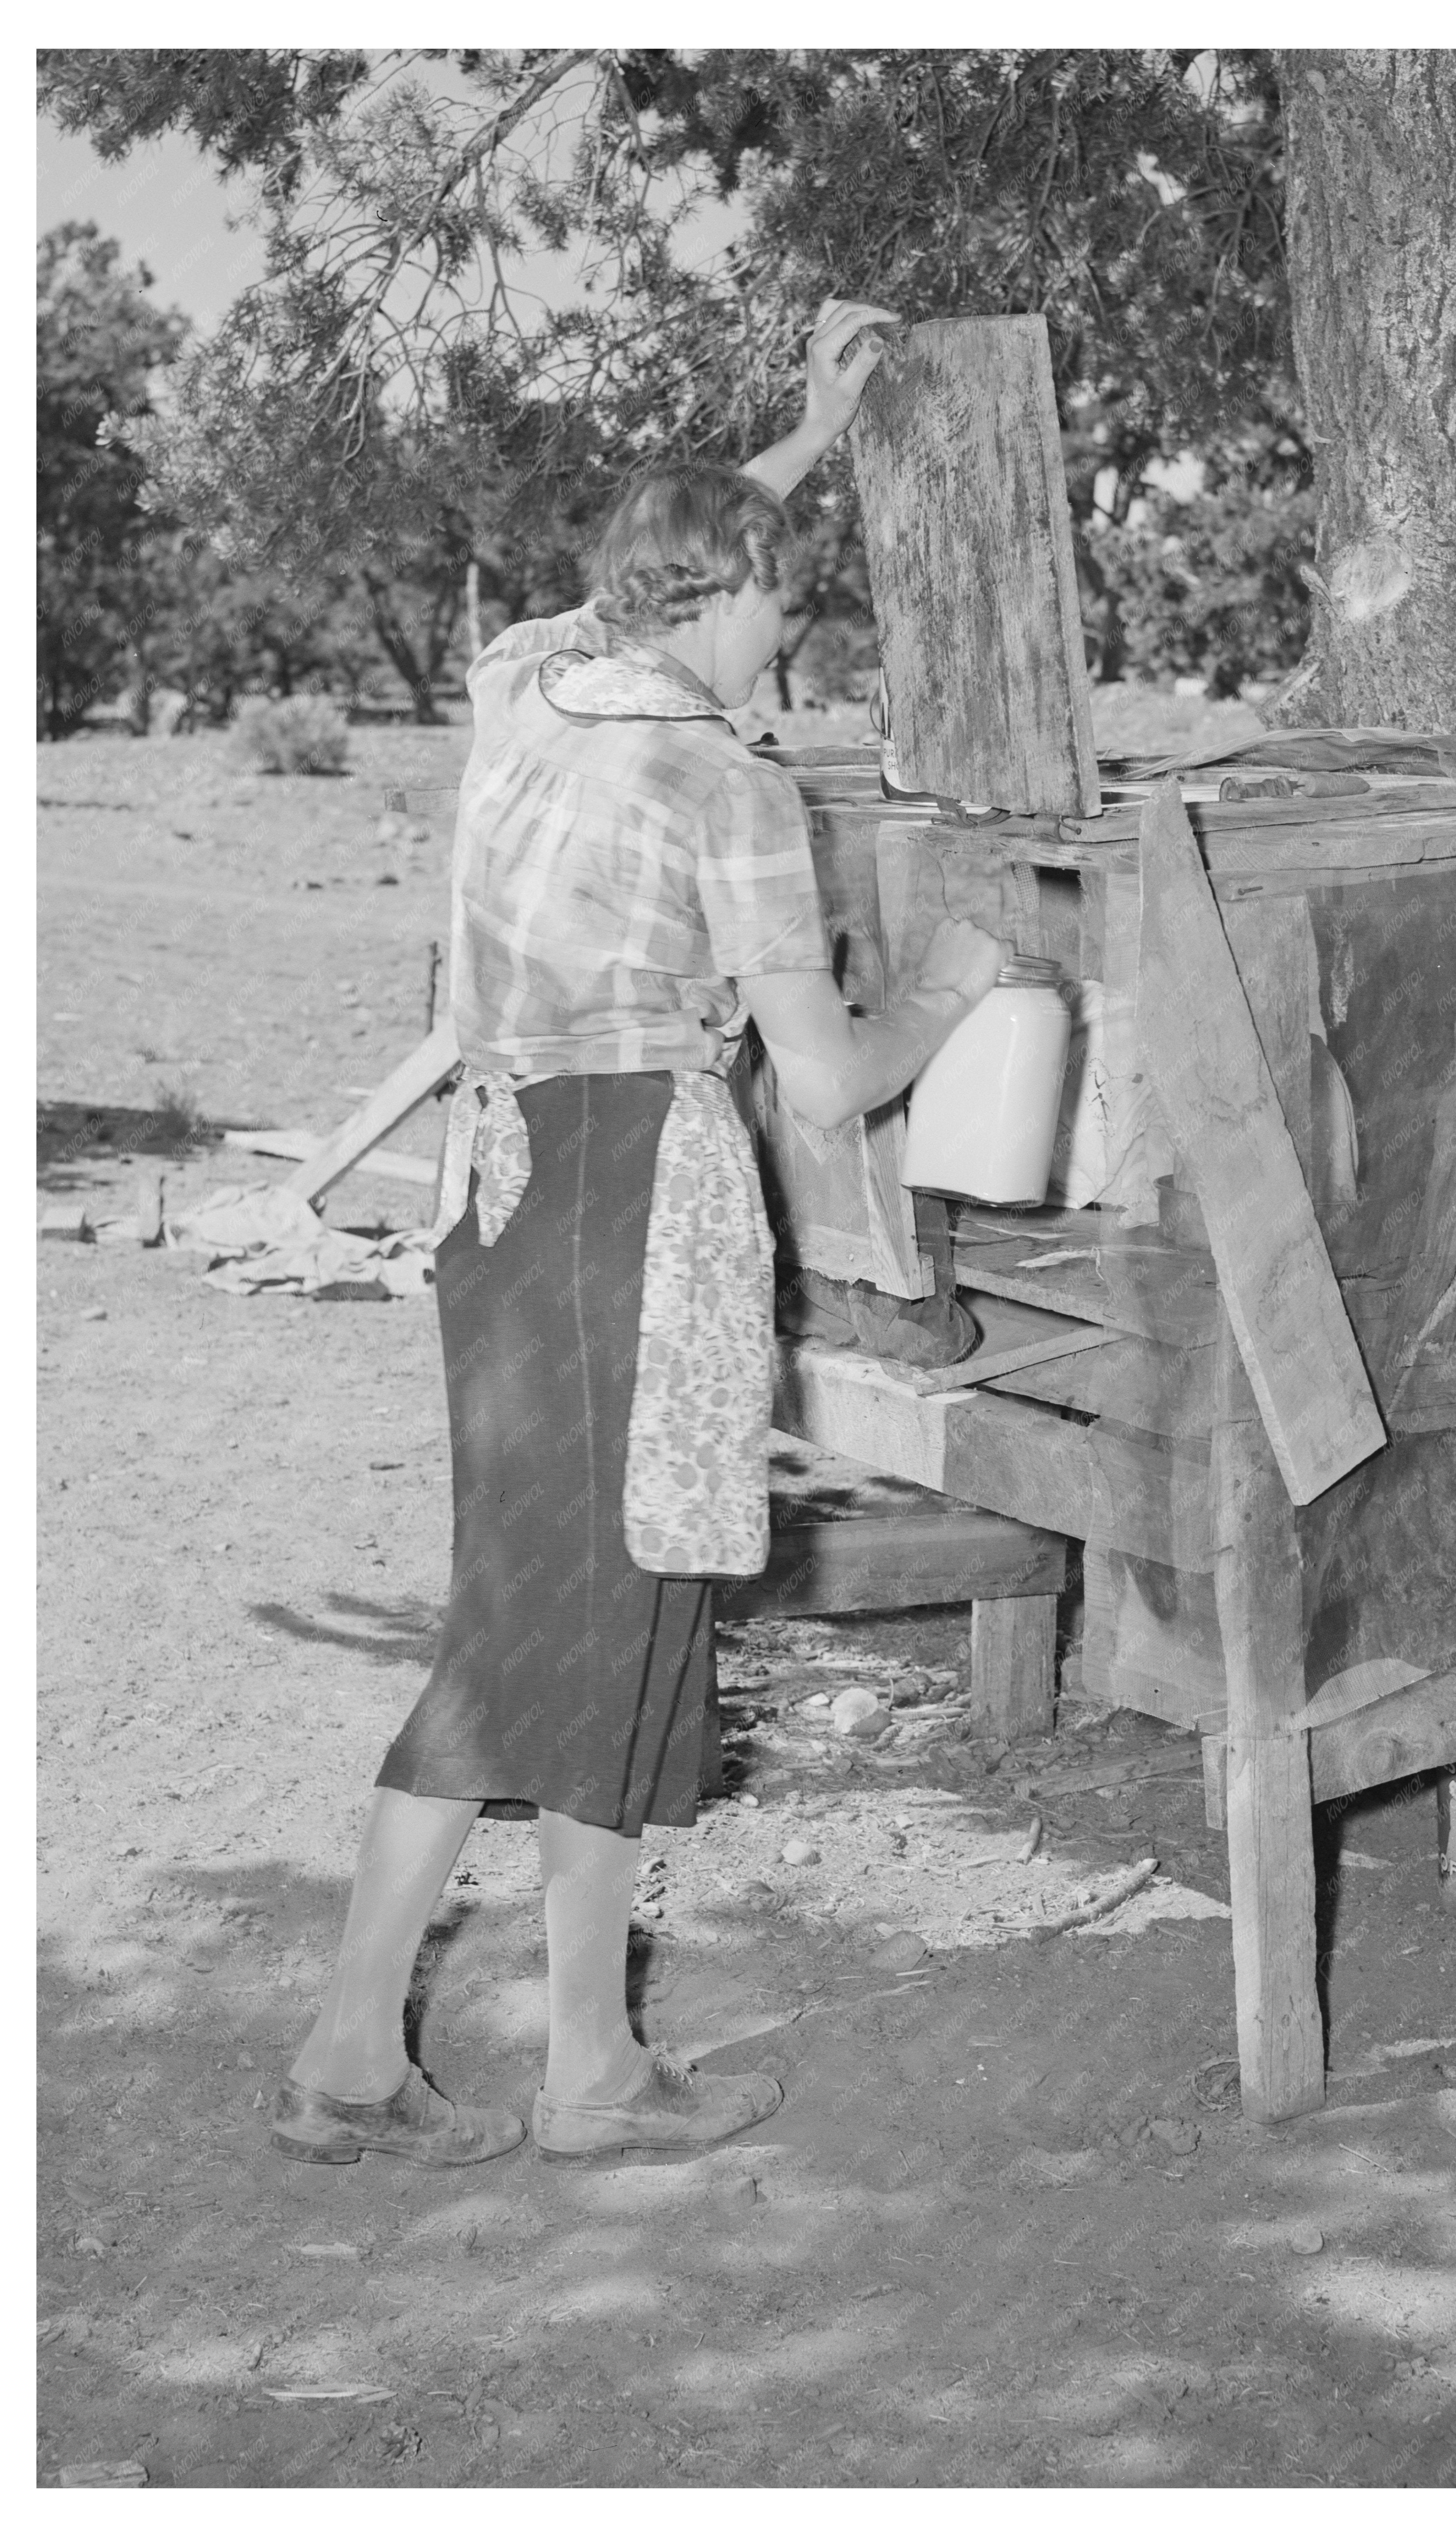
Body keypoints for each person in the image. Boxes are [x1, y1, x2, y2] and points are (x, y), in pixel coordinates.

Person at [272, 300, 1006, 2170]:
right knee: (571, 1620)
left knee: (589, 1609)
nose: (794, 635)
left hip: (503, 1187)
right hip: (628, 1194)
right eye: (783, 600)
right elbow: (832, 1085)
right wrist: (954, 990)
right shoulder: (730, 784)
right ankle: (430, 2061)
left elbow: (626, 590)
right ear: (729, 590)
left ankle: (502, 2050)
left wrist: (804, 437)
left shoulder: (523, 687)